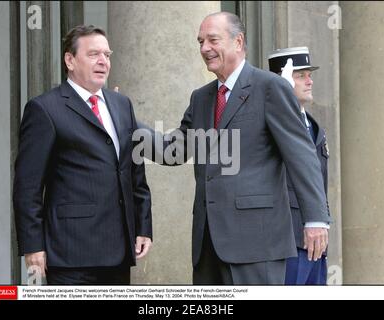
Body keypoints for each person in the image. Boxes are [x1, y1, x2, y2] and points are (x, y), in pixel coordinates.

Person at [137, 12, 331, 285]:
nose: (205, 48)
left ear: (238, 42)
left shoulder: (270, 87)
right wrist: (127, 123)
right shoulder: (202, 98)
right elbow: (174, 150)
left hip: (257, 245)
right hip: (208, 246)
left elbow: (302, 155)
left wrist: (315, 219)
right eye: (200, 41)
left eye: (213, 40)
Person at [13, 25, 152, 285]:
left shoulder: (122, 105)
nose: (103, 61)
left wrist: (143, 226)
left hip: (119, 251)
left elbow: (134, 170)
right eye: (93, 54)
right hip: (70, 253)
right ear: (70, 60)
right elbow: (27, 186)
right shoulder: (44, 109)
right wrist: (33, 246)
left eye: (107, 55)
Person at [268, 47, 330, 285]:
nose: (309, 80)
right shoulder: (272, 121)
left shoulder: (313, 126)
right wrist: (280, 98)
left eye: (309, 74)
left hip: (316, 240)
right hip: (288, 240)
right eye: (300, 75)